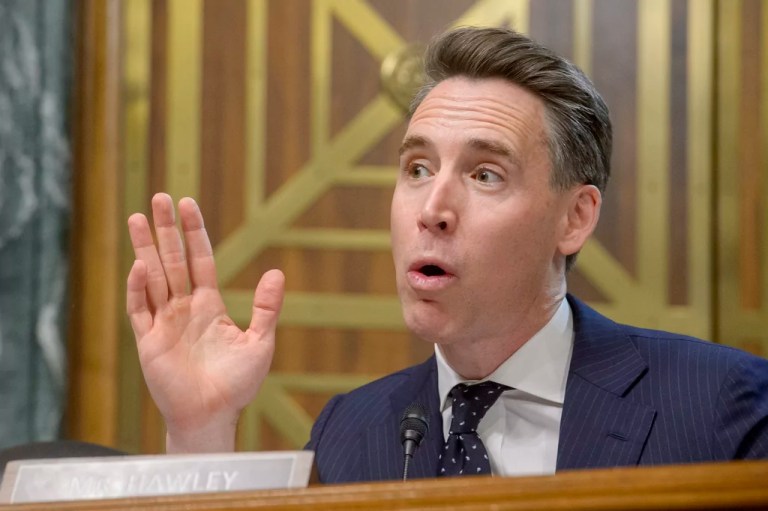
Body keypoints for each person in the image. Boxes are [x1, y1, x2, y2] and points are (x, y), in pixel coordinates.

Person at [126, 27, 768, 483]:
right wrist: (201, 428)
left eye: (485, 174)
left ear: (574, 219)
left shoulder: (719, 405)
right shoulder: (351, 433)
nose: (432, 207)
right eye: (417, 167)